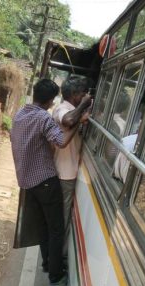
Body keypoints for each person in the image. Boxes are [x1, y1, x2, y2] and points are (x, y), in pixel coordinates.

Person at [10, 79, 91, 285]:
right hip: (46, 180)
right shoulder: (43, 118)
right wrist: (80, 122)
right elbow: (62, 142)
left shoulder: (20, 114)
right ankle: (55, 273)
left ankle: (47, 263)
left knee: (44, 227)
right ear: (50, 100)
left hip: (27, 181)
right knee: (55, 229)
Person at [52, 77, 92, 243]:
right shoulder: (63, 108)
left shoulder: (72, 110)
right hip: (64, 173)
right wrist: (84, 105)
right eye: (82, 94)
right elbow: (68, 120)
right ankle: (57, 256)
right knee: (62, 216)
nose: (85, 97)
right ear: (75, 95)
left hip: (66, 171)